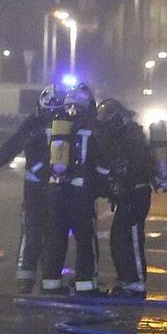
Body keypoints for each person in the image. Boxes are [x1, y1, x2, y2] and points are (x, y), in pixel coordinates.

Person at [0, 85, 63, 292]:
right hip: (43, 189)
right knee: (38, 233)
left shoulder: (52, 124)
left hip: (50, 189)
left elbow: (12, 146)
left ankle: (39, 280)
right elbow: (12, 146)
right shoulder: (36, 124)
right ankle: (33, 279)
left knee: (45, 234)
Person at [95, 98, 163, 298]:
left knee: (132, 238)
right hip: (126, 196)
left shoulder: (133, 135)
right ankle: (126, 280)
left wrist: (123, 172)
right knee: (118, 238)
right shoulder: (121, 135)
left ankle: (137, 283)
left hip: (136, 195)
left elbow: (139, 165)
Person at [40, 93, 99, 294]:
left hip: (55, 191)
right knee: (84, 239)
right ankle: (85, 285)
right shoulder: (90, 128)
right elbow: (98, 160)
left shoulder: (57, 126)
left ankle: (50, 284)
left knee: (56, 237)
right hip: (80, 193)